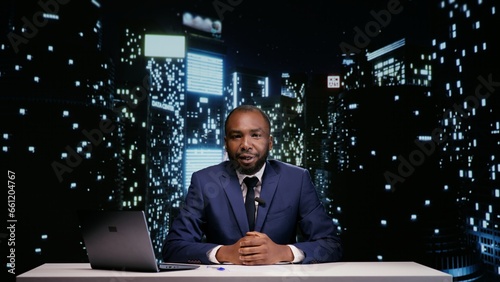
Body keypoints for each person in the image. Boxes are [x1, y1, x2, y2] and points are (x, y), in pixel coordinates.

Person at [162, 105, 342, 265]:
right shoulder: (205, 181)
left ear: (270, 142)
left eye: (255, 135)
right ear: (226, 143)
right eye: (236, 136)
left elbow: (330, 244)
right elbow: (174, 247)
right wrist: (224, 253)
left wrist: (283, 252)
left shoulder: (297, 179)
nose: (246, 145)